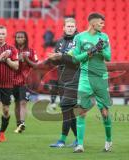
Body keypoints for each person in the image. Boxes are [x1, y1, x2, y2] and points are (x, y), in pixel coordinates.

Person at [69, 13, 112, 153]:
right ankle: (80, 144)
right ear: (93, 23)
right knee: (81, 111)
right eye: (100, 23)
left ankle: (108, 141)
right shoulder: (79, 37)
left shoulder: (104, 37)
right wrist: (91, 51)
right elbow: (76, 59)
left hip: (101, 77)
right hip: (85, 77)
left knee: (104, 112)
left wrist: (101, 49)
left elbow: (109, 57)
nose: (102, 25)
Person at [48, 17, 79, 148]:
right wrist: (53, 58)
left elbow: (77, 60)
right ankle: (78, 139)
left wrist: (61, 57)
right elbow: (56, 62)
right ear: (64, 28)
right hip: (62, 79)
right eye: (68, 26)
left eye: (72, 26)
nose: (70, 28)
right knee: (69, 111)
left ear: (75, 28)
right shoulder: (59, 42)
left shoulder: (79, 41)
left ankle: (62, 140)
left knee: (66, 108)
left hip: (74, 79)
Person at [13, 31, 39, 133]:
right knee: (16, 103)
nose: (19, 39)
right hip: (13, 80)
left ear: (25, 39)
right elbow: (7, 64)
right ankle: (18, 123)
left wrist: (26, 59)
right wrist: (16, 59)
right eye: (17, 37)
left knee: (23, 102)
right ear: (15, 39)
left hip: (26, 81)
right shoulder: (12, 51)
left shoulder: (31, 51)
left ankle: (22, 123)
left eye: (21, 37)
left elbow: (36, 65)